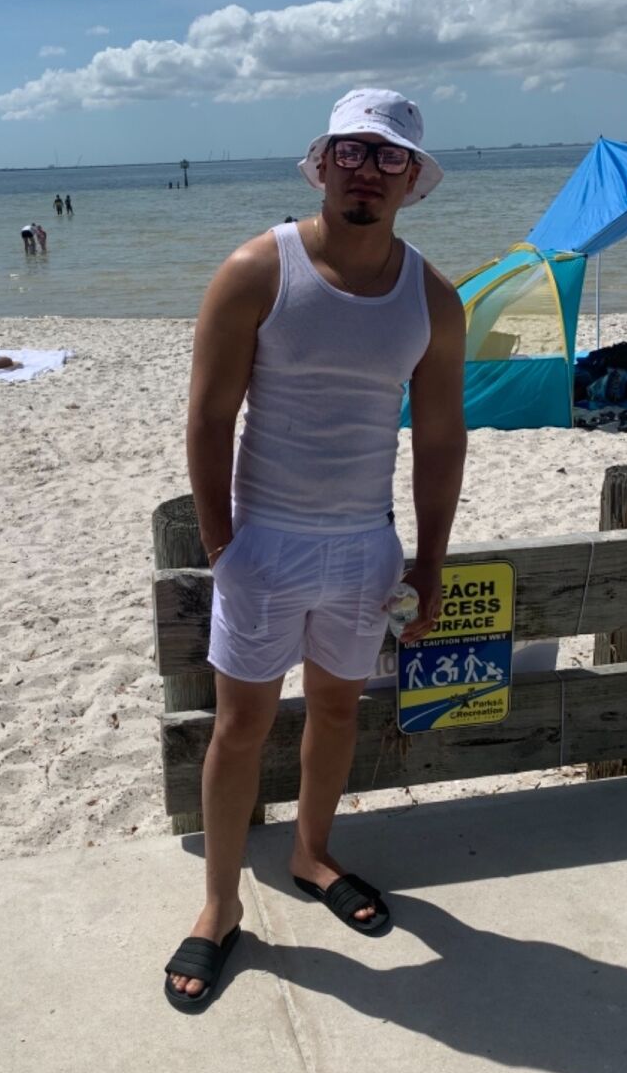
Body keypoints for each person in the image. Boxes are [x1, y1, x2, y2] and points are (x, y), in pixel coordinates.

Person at [164, 88, 467, 1012]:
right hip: (265, 545)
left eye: (388, 156)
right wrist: (224, 545)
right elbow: (209, 417)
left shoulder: (433, 297)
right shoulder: (259, 269)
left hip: (366, 550)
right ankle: (220, 905)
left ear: (412, 179)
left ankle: (311, 853)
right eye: (352, 151)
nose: (367, 170)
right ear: (322, 163)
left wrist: (429, 561)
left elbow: (440, 438)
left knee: (338, 709)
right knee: (240, 727)